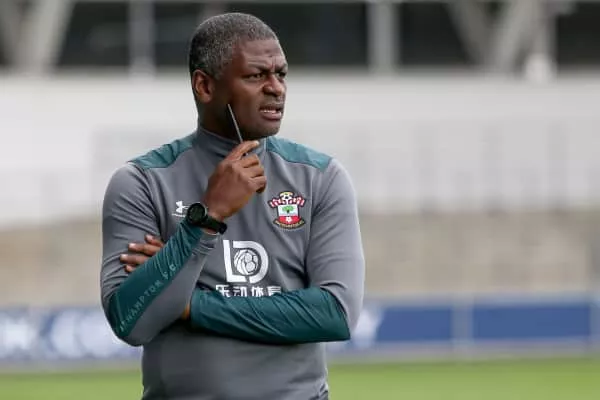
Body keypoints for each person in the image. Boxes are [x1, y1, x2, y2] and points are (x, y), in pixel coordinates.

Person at [100, 12, 365, 400]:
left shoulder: (321, 177)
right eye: (256, 76)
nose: (276, 88)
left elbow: (335, 313)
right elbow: (131, 321)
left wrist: (189, 304)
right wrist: (206, 217)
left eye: (281, 74)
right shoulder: (142, 181)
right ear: (205, 86)